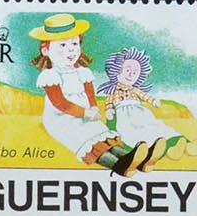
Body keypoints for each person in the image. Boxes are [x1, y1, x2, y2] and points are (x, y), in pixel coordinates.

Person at [29, 16, 138, 173]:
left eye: (75, 44)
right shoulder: (50, 76)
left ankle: (134, 159)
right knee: (87, 142)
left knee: (102, 135)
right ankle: (119, 166)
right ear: (46, 50)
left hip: (87, 115)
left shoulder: (82, 72)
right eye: (63, 45)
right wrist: (85, 113)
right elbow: (61, 104)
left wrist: (93, 107)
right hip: (62, 119)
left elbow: (89, 93)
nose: (71, 49)